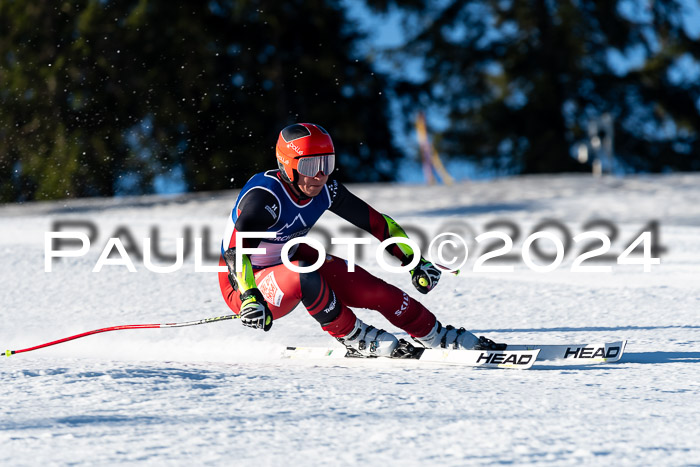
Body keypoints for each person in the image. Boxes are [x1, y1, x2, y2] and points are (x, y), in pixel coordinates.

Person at [218, 123, 503, 357]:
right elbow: (235, 251)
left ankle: (436, 335)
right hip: (244, 283)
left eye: (326, 163)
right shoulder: (266, 197)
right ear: (287, 165)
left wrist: (415, 262)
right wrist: (250, 297)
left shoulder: (326, 189)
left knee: (374, 289)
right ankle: (353, 335)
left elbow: (379, 223)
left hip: (288, 260)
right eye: (309, 165)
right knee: (304, 271)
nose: (319, 174)